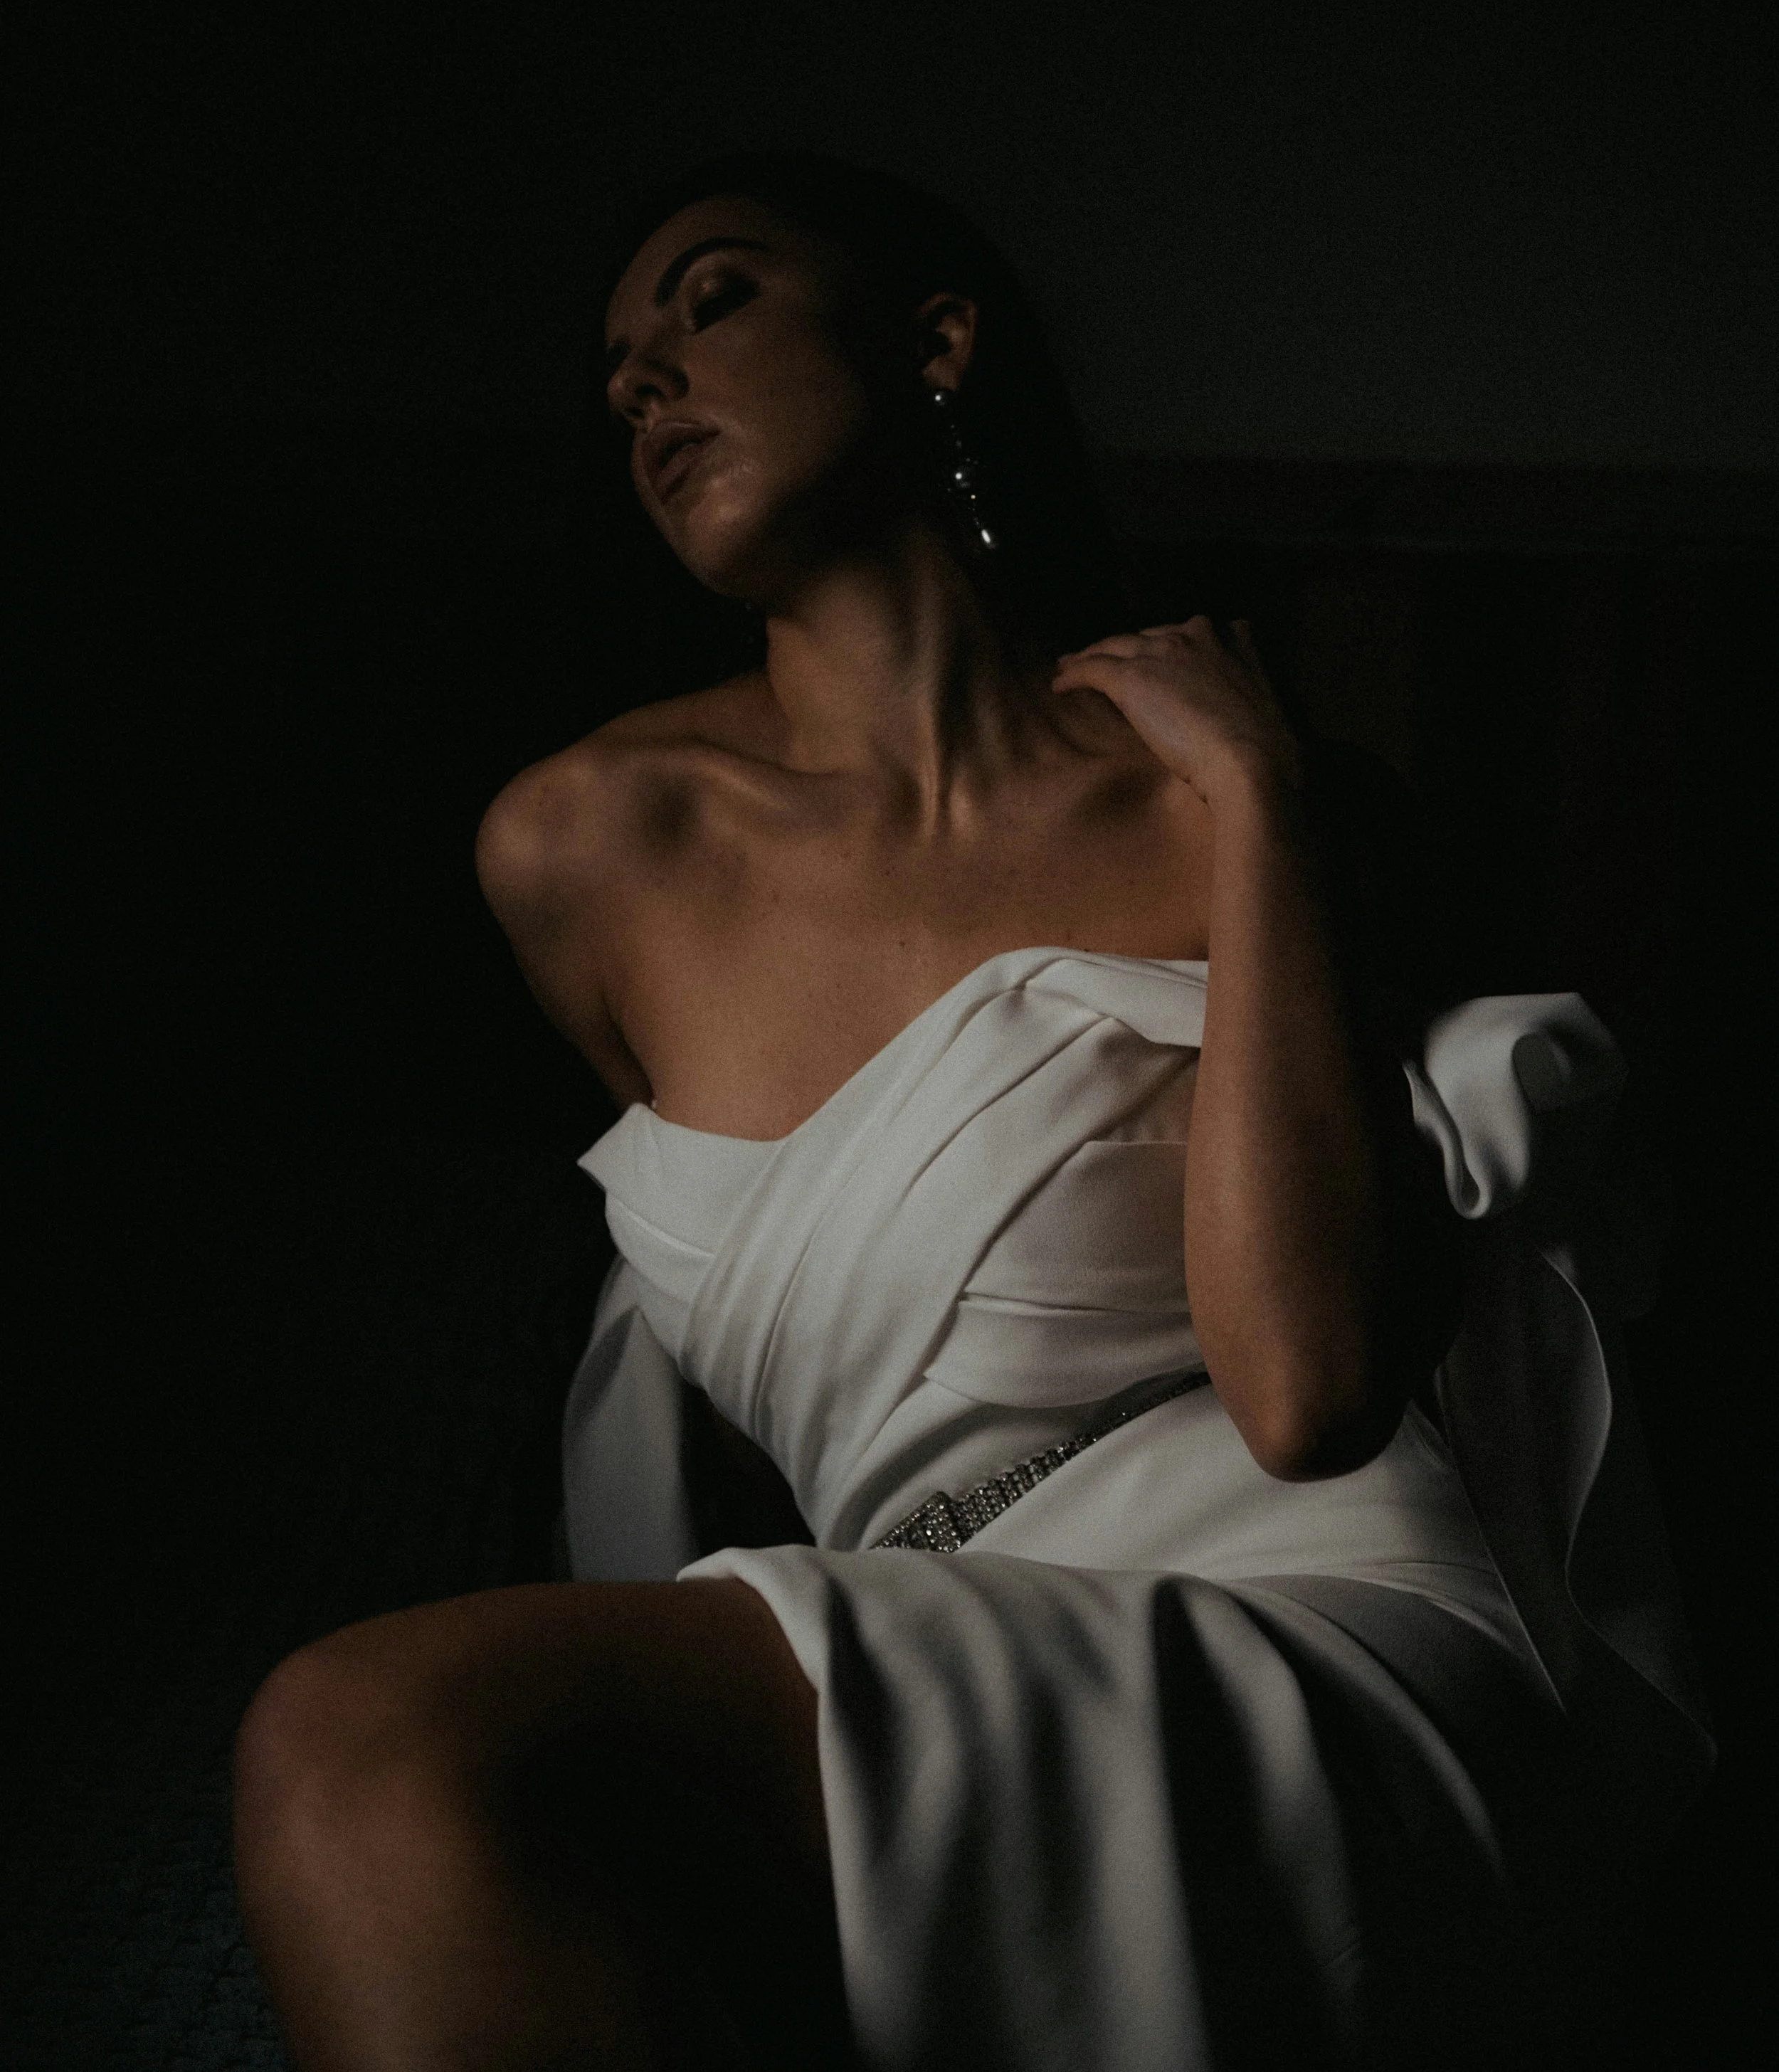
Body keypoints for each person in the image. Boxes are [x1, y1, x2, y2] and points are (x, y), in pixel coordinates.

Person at [233, 154, 1711, 2071]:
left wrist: (1262, 798)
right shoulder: (586, 849)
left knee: (372, 1731)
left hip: (1318, 1621)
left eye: (714, 300)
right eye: (615, 373)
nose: (645, 386)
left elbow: (1310, 1385)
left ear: (931, 340)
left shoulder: (1234, 801)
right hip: (928, 1630)